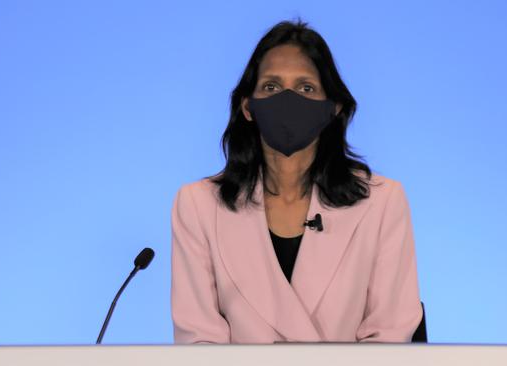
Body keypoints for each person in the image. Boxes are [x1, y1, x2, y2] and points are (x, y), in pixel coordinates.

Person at [171, 19, 423, 344]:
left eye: (306, 88)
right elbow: (199, 343)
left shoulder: (383, 202)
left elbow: (390, 336)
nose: (287, 99)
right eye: (271, 87)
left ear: (333, 107)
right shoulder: (198, 205)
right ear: (248, 106)